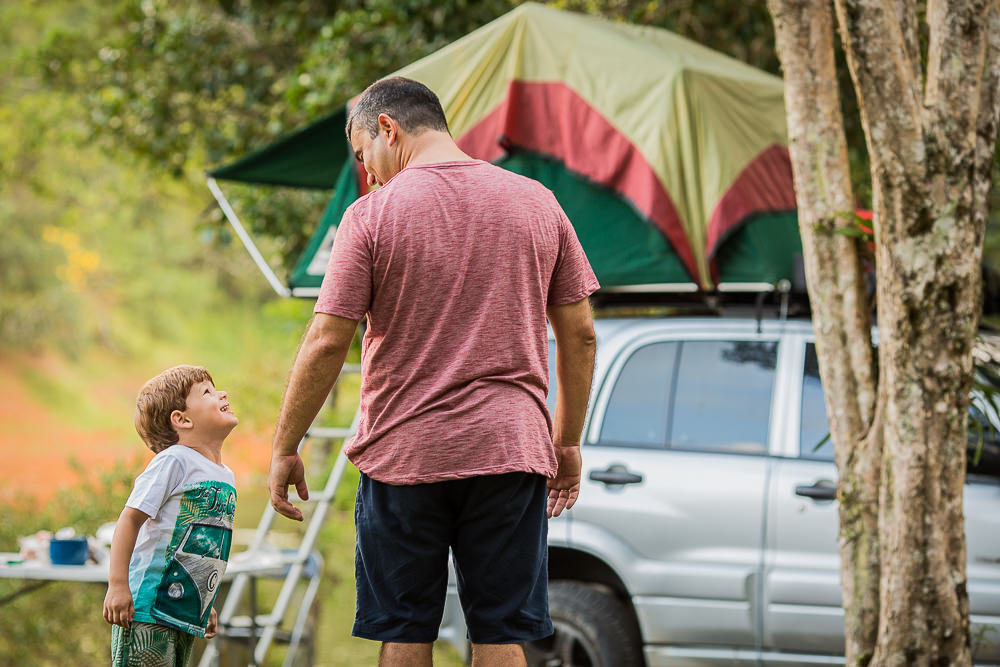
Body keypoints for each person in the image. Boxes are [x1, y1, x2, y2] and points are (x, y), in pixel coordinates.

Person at [268, 76, 598, 667]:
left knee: (405, 630)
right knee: (500, 633)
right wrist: (565, 441)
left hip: (404, 455)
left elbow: (325, 342)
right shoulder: (536, 202)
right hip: (509, 449)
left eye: (364, 155)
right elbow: (580, 332)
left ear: (387, 128)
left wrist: (286, 445)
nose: (367, 173)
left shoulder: (369, 217)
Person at [103, 365, 239, 667]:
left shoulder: (225, 474)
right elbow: (129, 520)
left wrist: (204, 600)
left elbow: (205, 544)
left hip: (183, 611)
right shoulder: (173, 461)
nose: (222, 394)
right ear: (182, 419)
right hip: (148, 609)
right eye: (207, 392)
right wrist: (118, 584)